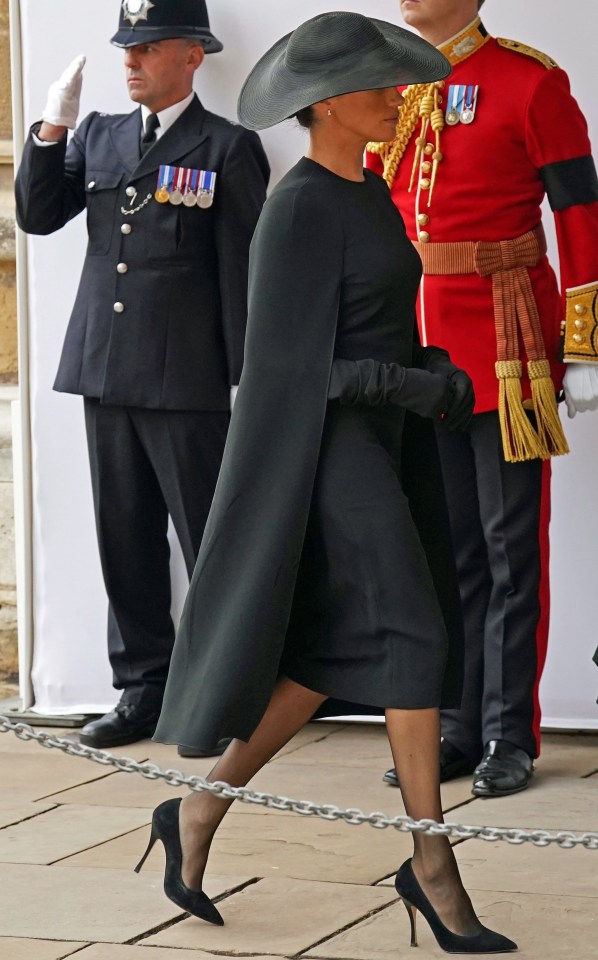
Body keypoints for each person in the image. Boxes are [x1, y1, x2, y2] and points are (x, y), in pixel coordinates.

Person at [140, 12, 516, 953]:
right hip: (330, 450)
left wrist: (434, 364)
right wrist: (419, 384)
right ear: (336, 102)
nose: (398, 99)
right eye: (383, 88)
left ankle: (194, 817)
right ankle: (431, 864)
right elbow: (289, 370)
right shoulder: (299, 206)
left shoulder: (374, 191)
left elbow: (374, 327)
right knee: (415, 631)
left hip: (383, 440)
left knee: (321, 665)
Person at [15, 0, 270, 752]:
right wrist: (50, 130)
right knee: (122, 538)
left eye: (149, 47)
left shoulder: (227, 147)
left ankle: (227, 692)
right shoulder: (97, 134)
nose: (130, 60)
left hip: (190, 379)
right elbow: (35, 213)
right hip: (106, 367)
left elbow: (245, 272)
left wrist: (247, 379)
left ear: (192, 56)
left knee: (210, 541)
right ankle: (144, 689)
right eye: (126, 46)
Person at [371, 0, 598, 797]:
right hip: (418, 348)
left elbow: (579, 212)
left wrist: (585, 341)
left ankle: (511, 731)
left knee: (508, 551)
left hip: (509, 342)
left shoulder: (529, 82)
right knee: (450, 547)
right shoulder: (392, 85)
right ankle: (460, 725)